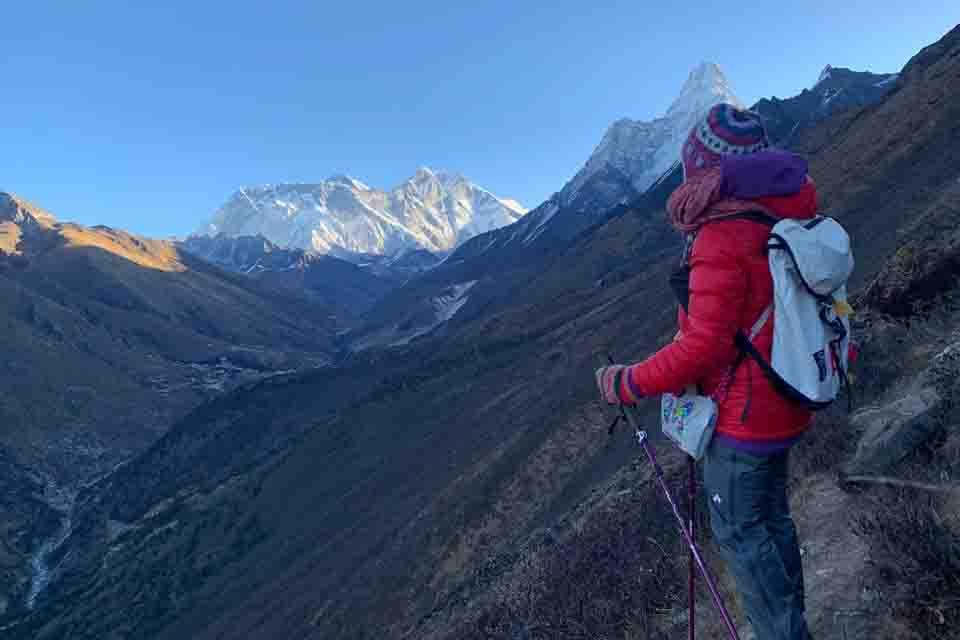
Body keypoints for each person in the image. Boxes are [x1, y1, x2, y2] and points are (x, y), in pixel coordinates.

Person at [595, 103, 815, 640]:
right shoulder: (785, 211)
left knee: (742, 534)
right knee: (772, 521)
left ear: (705, 168)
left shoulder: (723, 233)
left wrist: (628, 381)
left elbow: (702, 347)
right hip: (785, 396)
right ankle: (793, 624)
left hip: (744, 414)